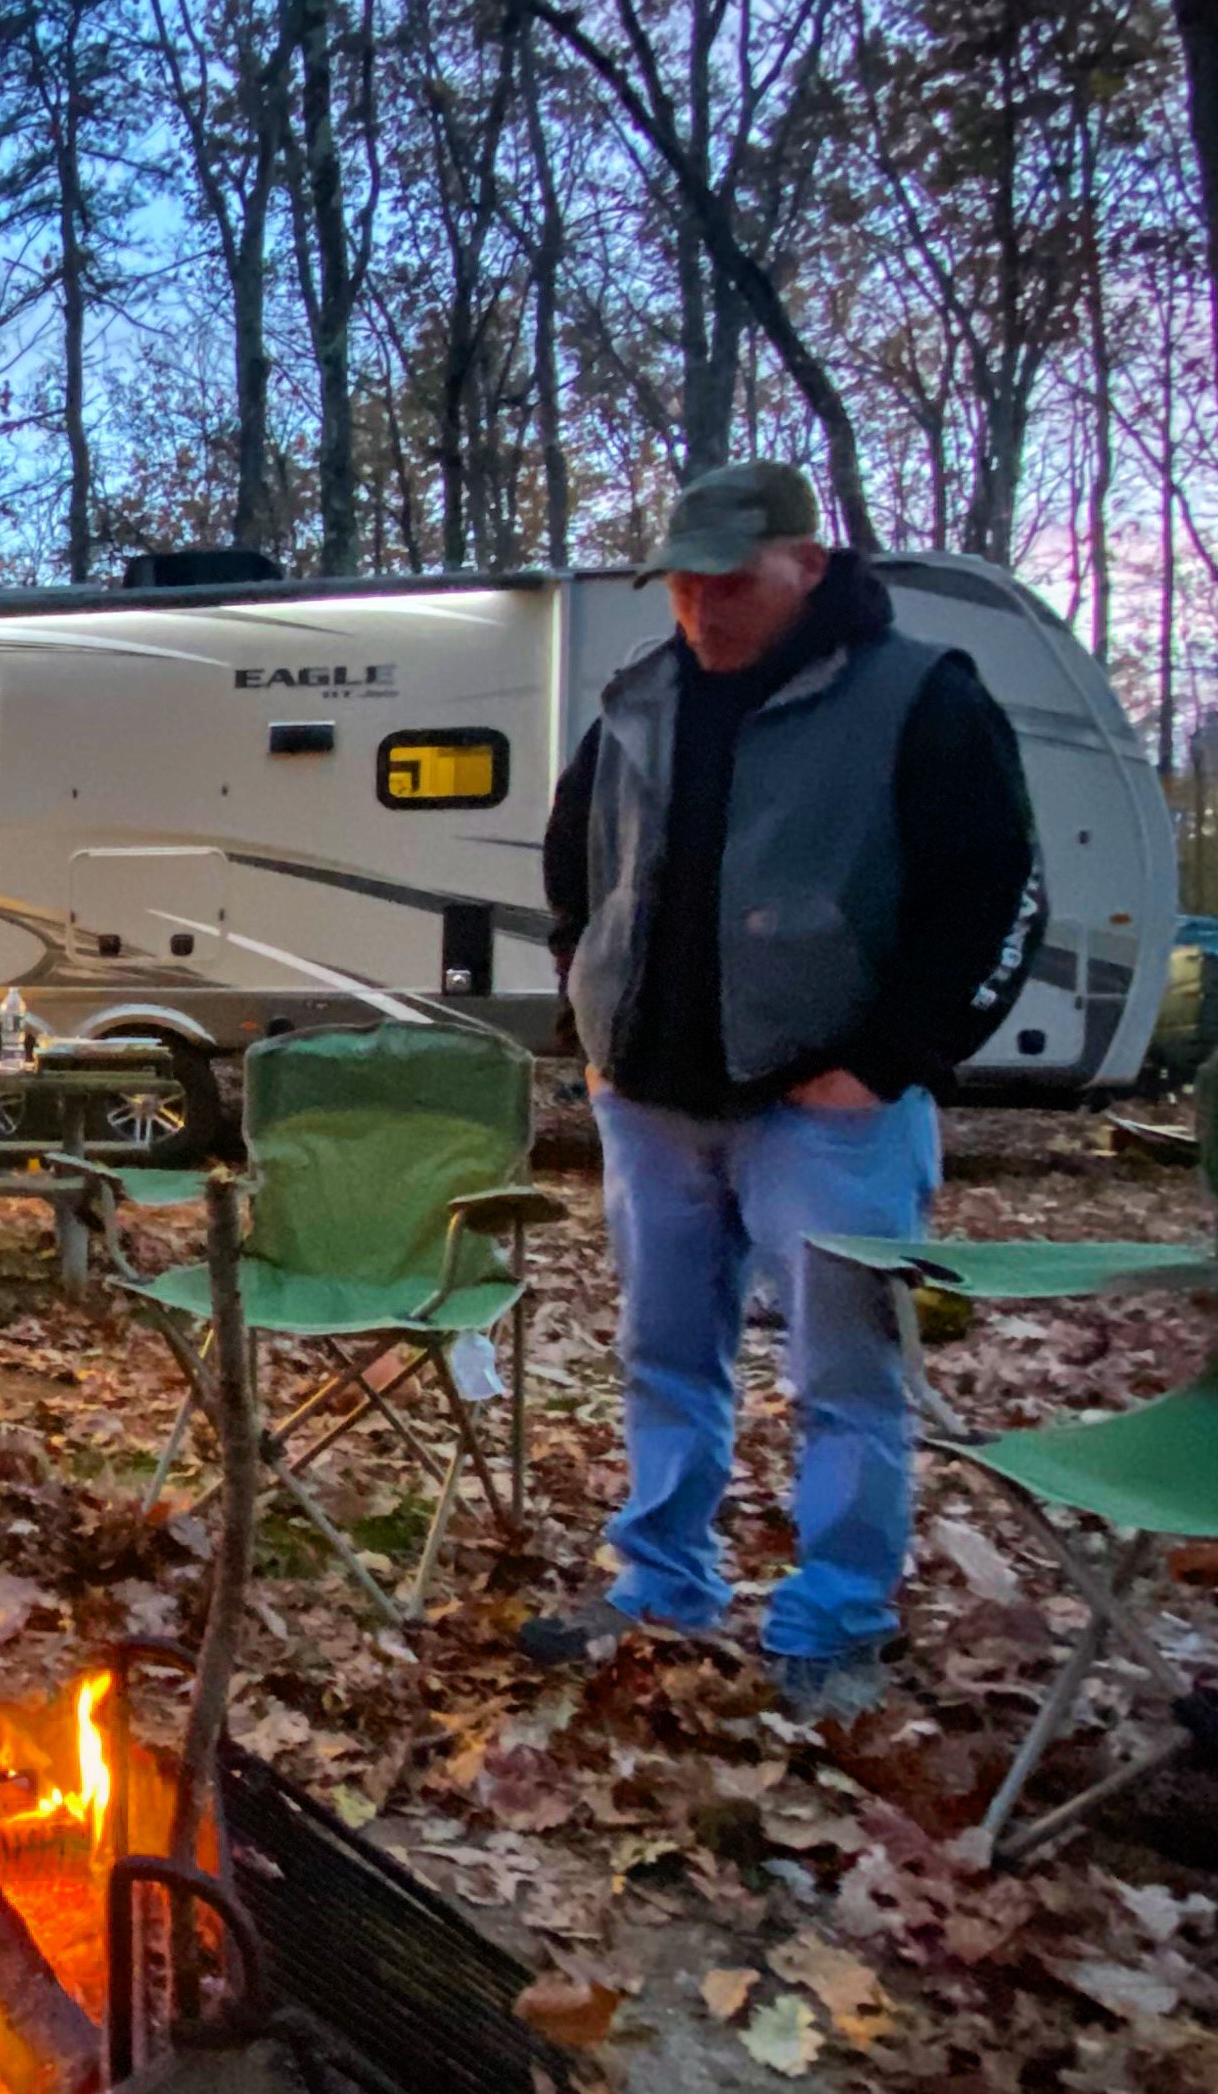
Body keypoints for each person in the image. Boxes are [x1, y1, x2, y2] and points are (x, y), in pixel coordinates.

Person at [528, 460, 1041, 1720]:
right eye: (683, 583)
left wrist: (885, 1064)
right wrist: (590, 1009)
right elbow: (571, 861)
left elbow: (996, 893)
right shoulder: (639, 701)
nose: (702, 607)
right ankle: (661, 1585)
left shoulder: (917, 697)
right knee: (662, 1355)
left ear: (806, 565)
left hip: (826, 1110)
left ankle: (835, 1620)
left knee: (845, 1379)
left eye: (729, 580)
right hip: (650, 1102)